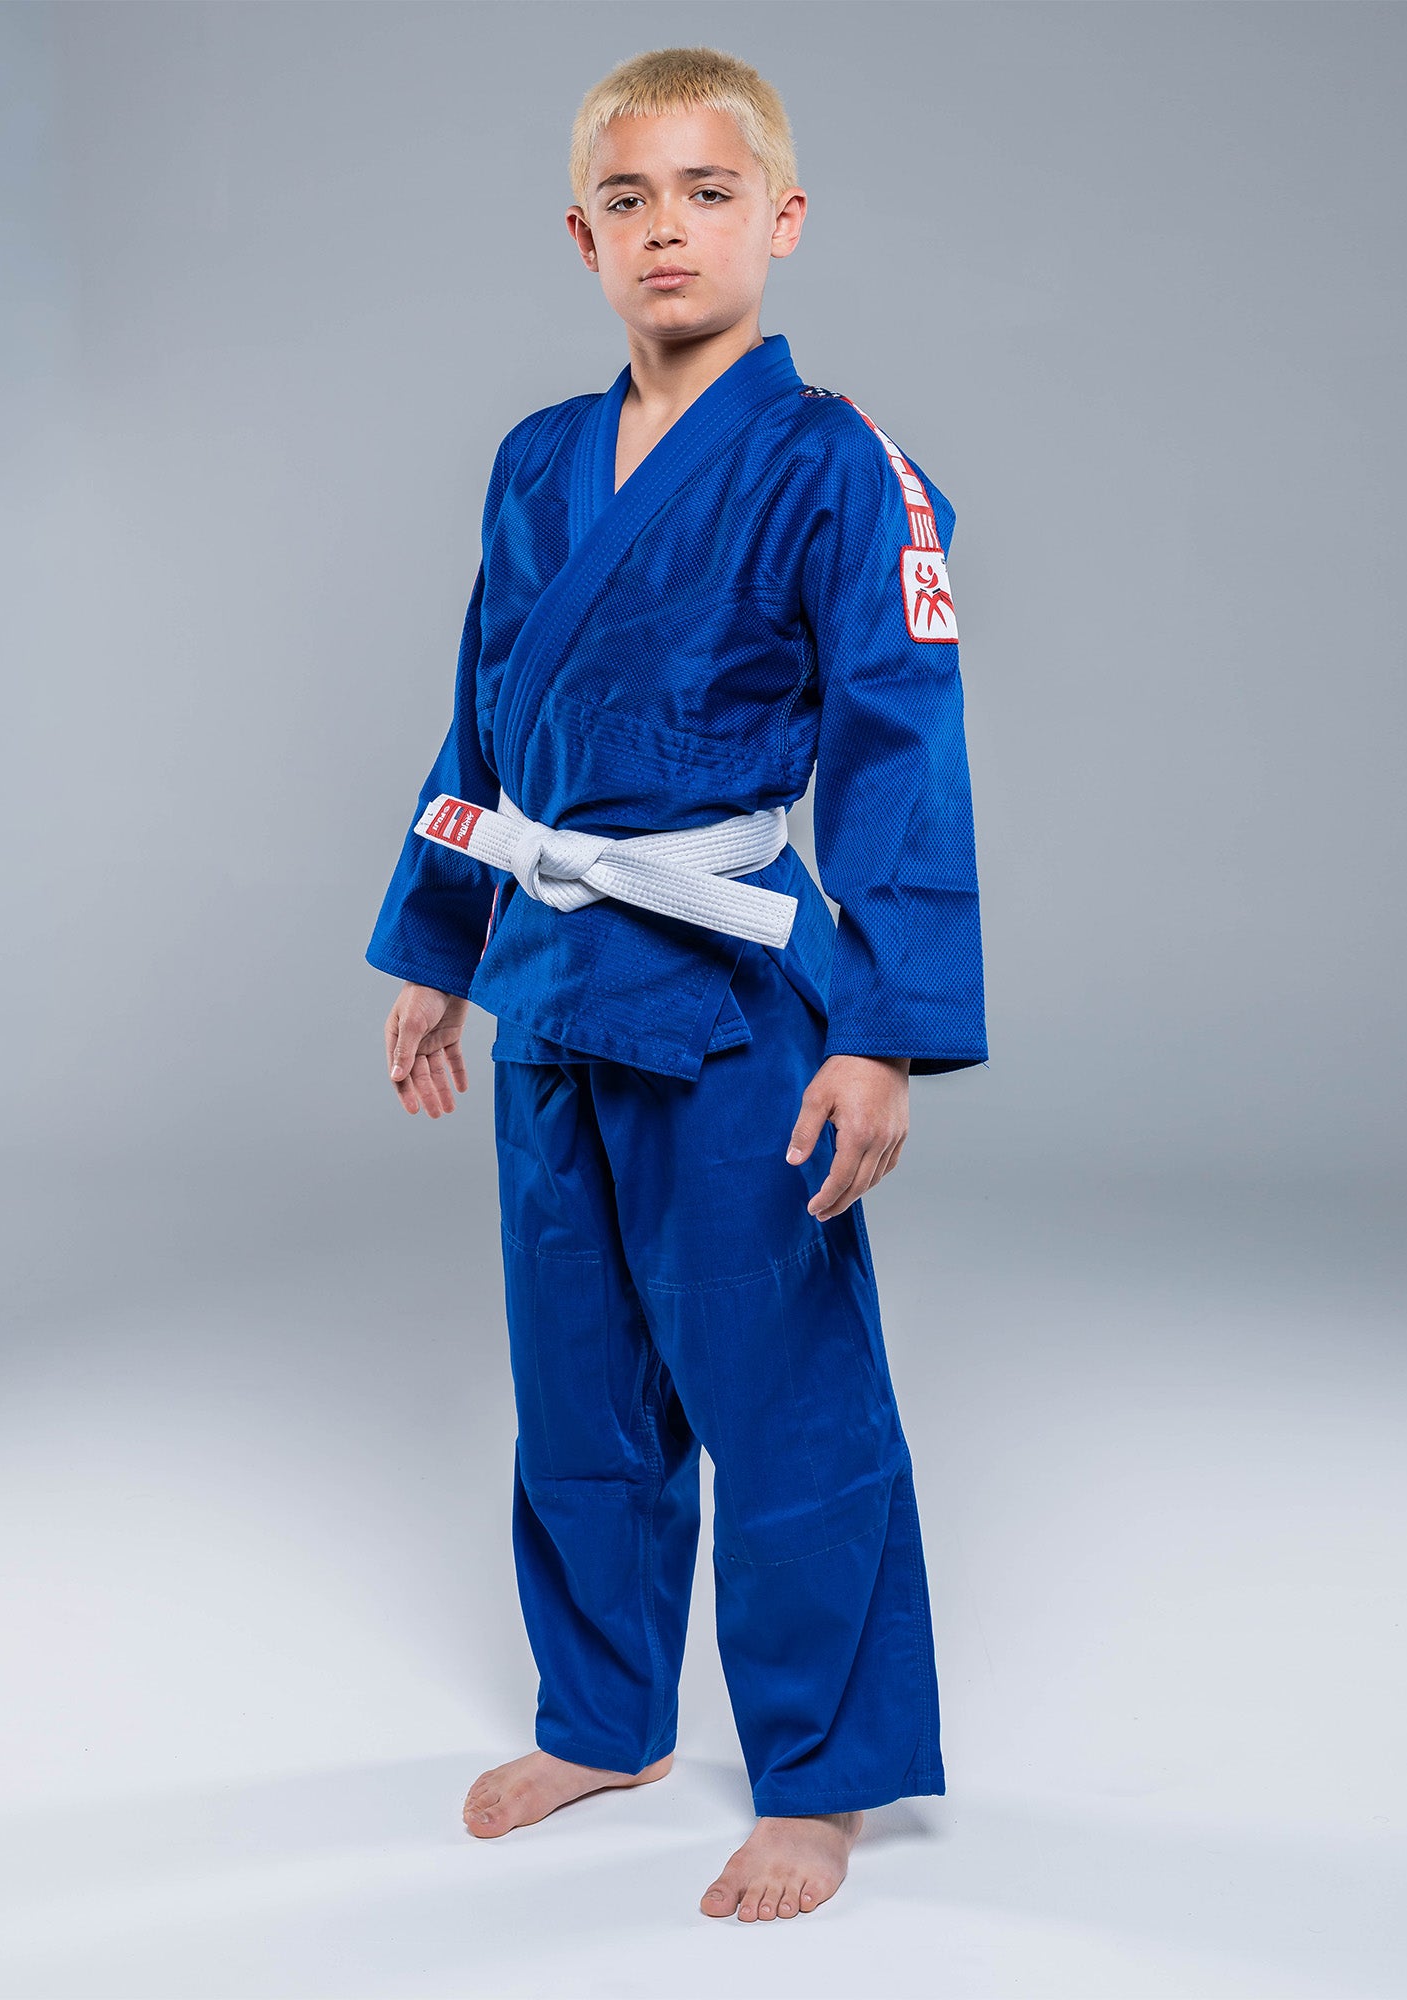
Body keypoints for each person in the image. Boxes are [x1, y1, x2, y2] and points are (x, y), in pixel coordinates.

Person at [365, 45, 987, 1923]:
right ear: (583, 235)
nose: (669, 228)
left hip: (731, 995)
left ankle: (825, 1768)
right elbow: (486, 712)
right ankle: (609, 1709)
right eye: (630, 199)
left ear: (779, 222)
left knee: (779, 1380)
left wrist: (879, 1030)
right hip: (552, 970)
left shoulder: (843, 469)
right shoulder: (536, 461)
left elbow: (902, 752)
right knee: (576, 1381)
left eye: (709, 193)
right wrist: (436, 947)